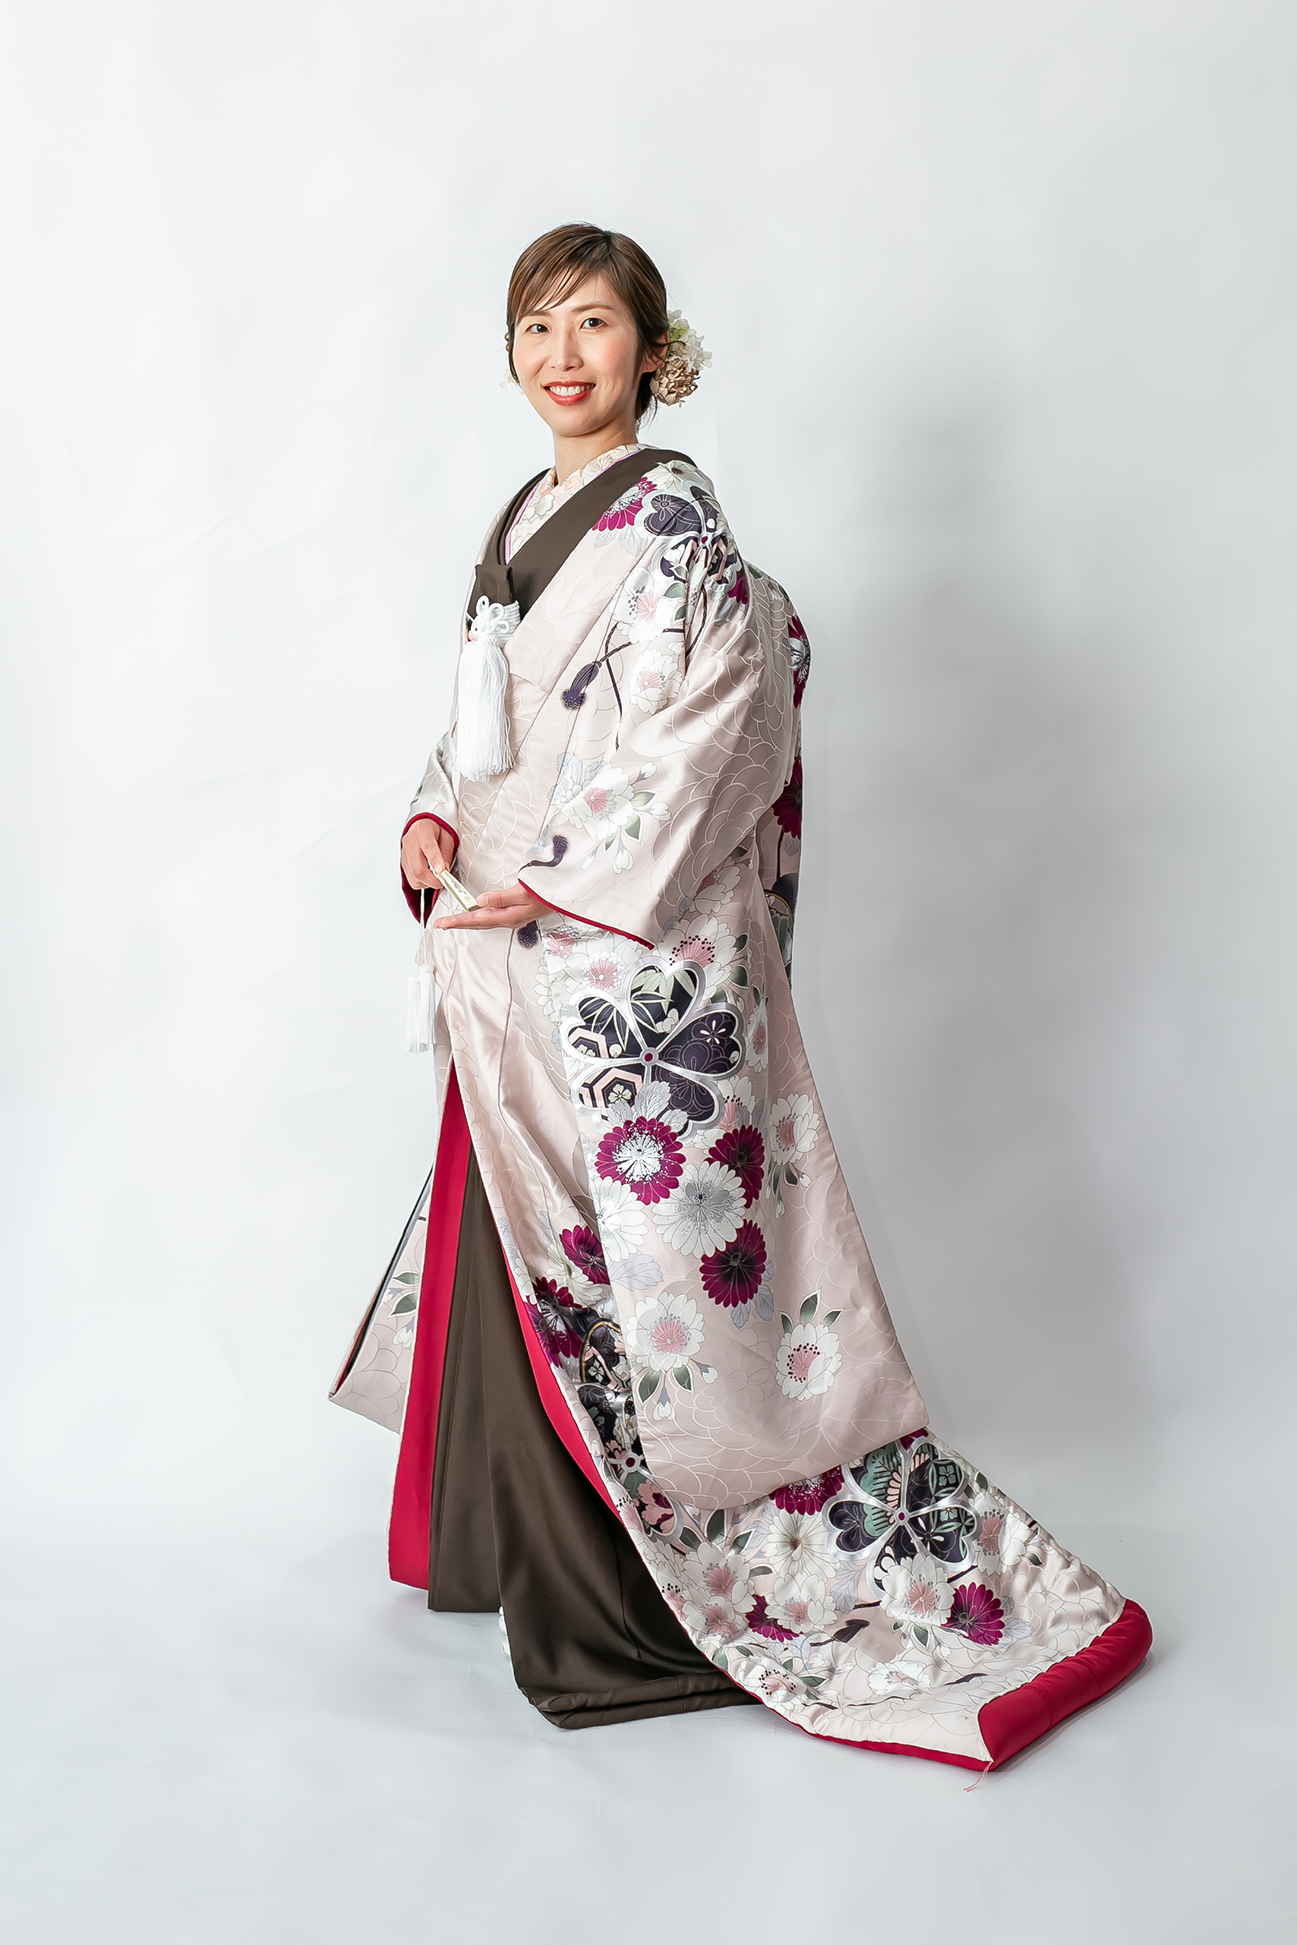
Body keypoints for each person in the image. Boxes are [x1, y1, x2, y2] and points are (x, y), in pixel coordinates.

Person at [333, 223, 1150, 1765]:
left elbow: (695, 735)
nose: (561, 355)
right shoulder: (520, 515)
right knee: (519, 1238)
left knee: (626, 1276)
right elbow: (485, 722)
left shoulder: (674, 518)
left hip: (601, 947)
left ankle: (623, 1606)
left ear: (652, 352)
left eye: (592, 324)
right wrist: (435, 814)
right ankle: (518, 1549)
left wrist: (559, 875)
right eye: (535, 327)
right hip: (503, 940)